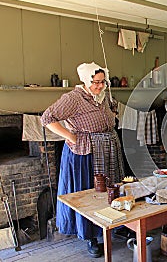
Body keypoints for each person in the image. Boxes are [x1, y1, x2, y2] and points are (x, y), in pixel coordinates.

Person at [41, 62, 124, 258]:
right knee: (89, 193)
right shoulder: (74, 98)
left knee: (110, 189)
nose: (100, 86)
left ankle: (113, 225)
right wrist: (70, 137)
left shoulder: (102, 95)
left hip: (107, 149)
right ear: (86, 80)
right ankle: (90, 236)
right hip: (85, 154)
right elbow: (47, 118)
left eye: (103, 82)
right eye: (96, 82)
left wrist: (110, 114)